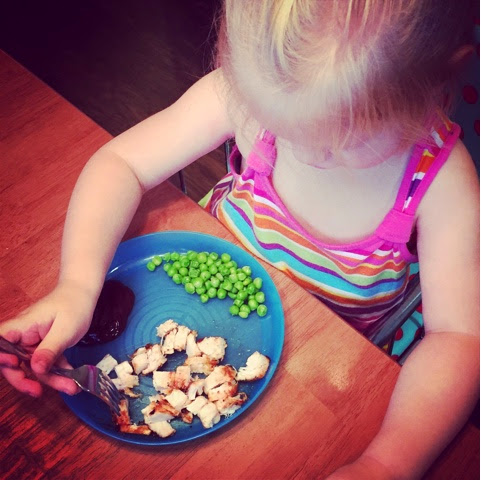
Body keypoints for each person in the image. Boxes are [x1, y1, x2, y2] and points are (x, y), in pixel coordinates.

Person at [1, 1, 479, 478]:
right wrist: (78, 285)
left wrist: (388, 462)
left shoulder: (442, 185)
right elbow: (121, 163)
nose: (307, 154)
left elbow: (459, 337)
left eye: (344, 142)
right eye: (285, 129)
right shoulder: (241, 96)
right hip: (202, 303)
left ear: (438, 82)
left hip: (326, 359)